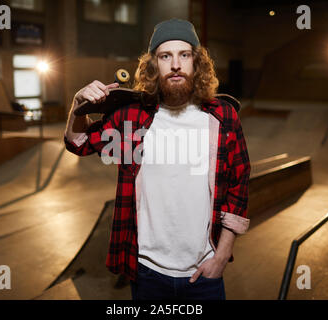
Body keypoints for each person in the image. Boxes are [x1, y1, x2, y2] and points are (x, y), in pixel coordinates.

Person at [64, 18, 251, 300]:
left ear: (196, 63)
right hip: (146, 273)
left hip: (204, 272)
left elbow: (239, 185)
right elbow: (79, 142)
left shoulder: (222, 117)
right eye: (166, 56)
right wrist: (78, 106)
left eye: (184, 55)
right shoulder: (132, 116)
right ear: (154, 65)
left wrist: (222, 256)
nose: (175, 64)